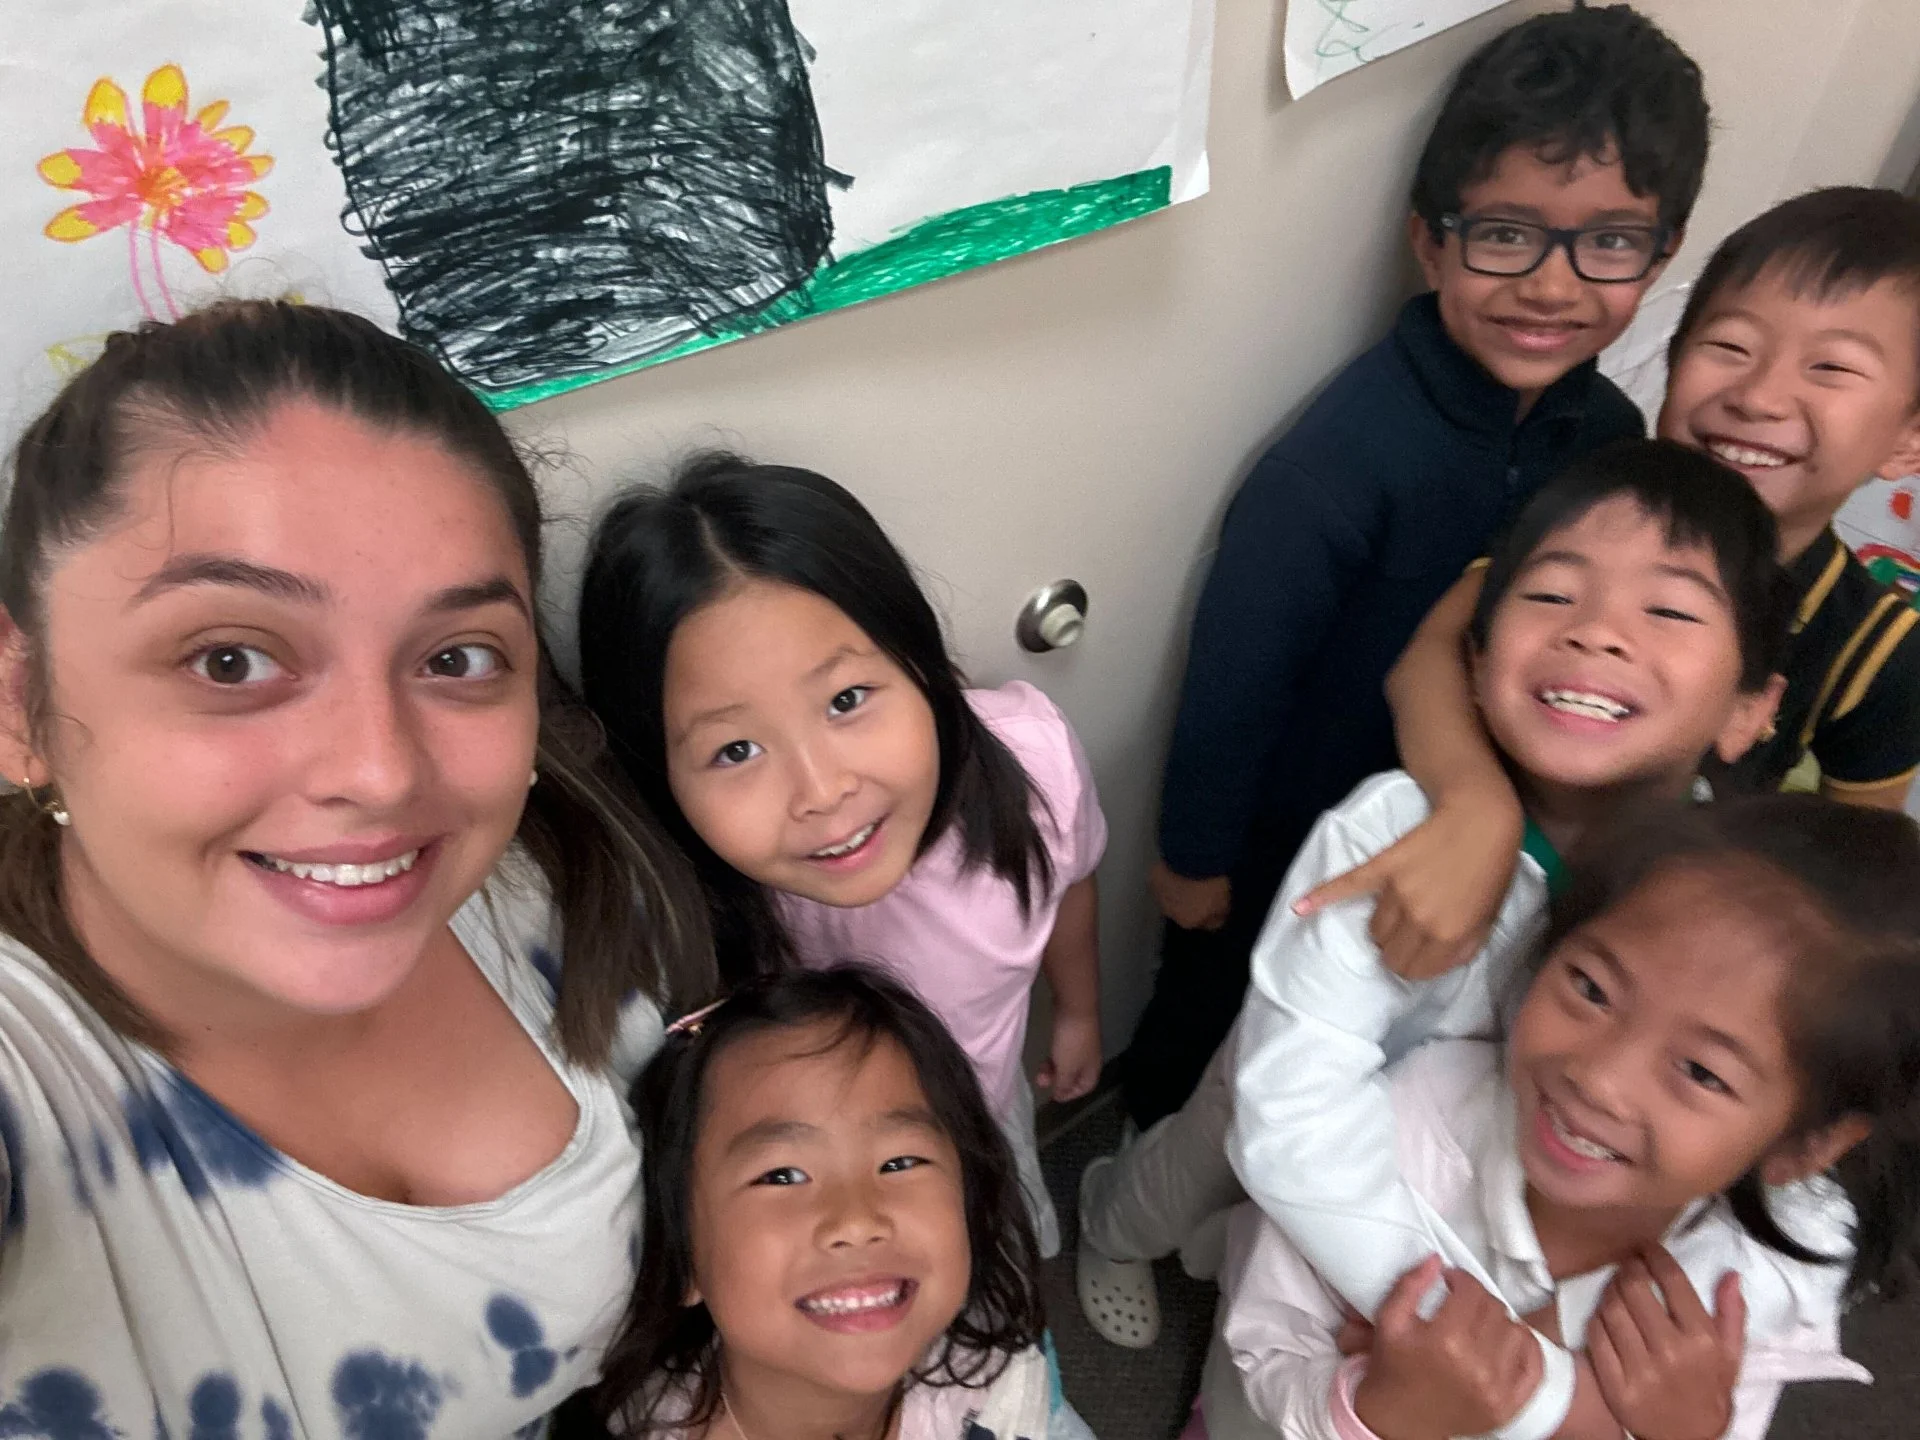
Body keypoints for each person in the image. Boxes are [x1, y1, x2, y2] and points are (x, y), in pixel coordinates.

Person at [0, 302, 710, 1434]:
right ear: (19, 705)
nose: (382, 773)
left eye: (457, 658)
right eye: (231, 659)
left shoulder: (541, 890)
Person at [1082, 440, 1788, 1423]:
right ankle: (1114, 1221)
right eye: (1551, 597)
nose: (1596, 634)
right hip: (1304, 1077)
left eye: (1667, 611)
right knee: (1204, 1157)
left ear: (1751, 707)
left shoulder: (1725, 894)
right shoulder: (1389, 828)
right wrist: (1501, 1365)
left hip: (1492, 1152)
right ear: (1477, 654)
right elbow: (1290, 1111)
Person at [1123, 2, 1708, 1145]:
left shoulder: (1614, 437)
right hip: (1286, 829)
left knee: (1370, 1039)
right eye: (1505, 234)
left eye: (1608, 241)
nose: (1552, 283)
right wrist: (1193, 860)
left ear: (1662, 252)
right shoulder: (1340, 462)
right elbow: (1236, 677)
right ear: (1429, 241)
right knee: (1210, 1016)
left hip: (1468, 817)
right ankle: (1135, 1166)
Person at [1316, 186, 1920, 987]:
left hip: (1659, 959)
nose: (1758, 395)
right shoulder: (1590, 515)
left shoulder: (1879, 650)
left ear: (1909, 438)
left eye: (1832, 368)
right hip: (1455, 896)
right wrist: (1477, 808)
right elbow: (1428, 655)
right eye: (1730, 347)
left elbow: (1853, 890)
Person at [1213, 795, 1920, 1440]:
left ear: (1804, 1148)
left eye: (1702, 1072)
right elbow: (1267, 1341)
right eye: (1591, 988)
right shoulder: (1412, 1123)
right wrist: (1380, 1414)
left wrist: (1688, 1433)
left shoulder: (1749, 1286)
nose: (1600, 1079)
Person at [578, 454, 1105, 1257]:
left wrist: (1079, 1012)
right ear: (662, 776)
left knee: (1002, 1257)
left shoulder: (1031, 766)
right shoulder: (676, 922)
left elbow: (1069, 884)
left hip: (987, 1111)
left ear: (918, 662)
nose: (821, 792)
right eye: (736, 749)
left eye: (846, 700)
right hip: (828, 1200)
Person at [574, 965, 1096, 1440]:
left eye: (900, 1163)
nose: (857, 1218)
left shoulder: (998, 1388)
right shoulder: (646, 1425)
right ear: (684, 1252)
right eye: (781, 1175)